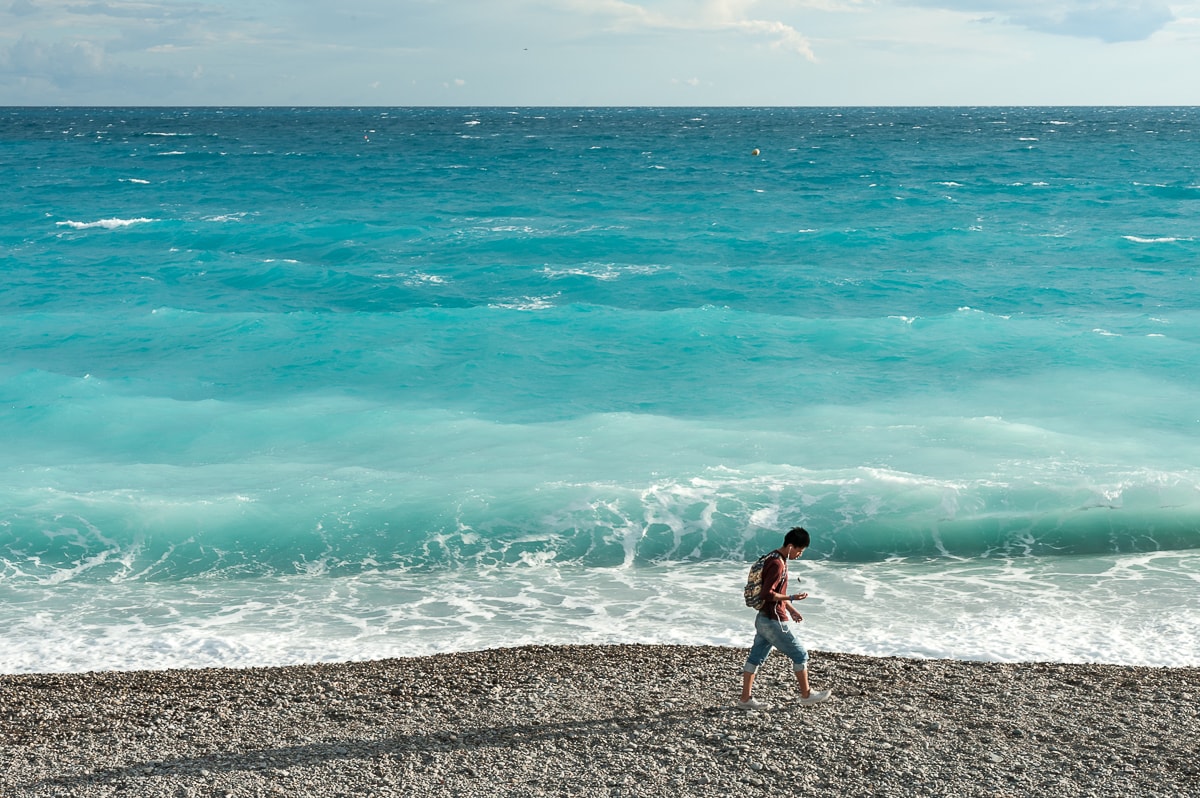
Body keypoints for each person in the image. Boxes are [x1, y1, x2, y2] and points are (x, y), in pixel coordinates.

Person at [738, 526, 832, 709]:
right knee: (800, 654)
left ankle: (745, 700)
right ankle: (806, 695)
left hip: (763, 619)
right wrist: (792, 598)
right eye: (799, 551)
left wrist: (791, 609)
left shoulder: (772, 557)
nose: (799, 555)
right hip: (773, 621)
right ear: (790, 546)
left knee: (755, 658)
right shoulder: (777, 564)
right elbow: (768, 594)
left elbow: (775, 592)